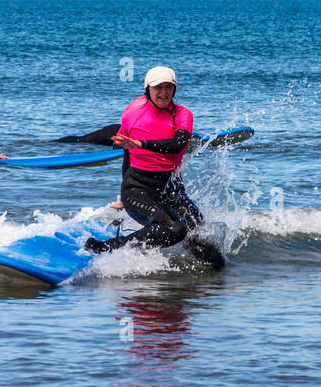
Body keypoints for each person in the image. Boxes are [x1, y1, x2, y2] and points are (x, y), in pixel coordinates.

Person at [84, 66, 223, 267]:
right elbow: (127, 151)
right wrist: (123, 198)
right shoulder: (133, 113)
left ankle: (208, 277)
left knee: (197, 226)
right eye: (158, 87)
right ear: (147, 88)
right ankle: (107, 247)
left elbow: (178, 145)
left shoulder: (183, 114)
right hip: (138, 189)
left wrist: (141, 144)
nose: (164, 92)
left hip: (171, 188)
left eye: (169, 87)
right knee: (174, 229)